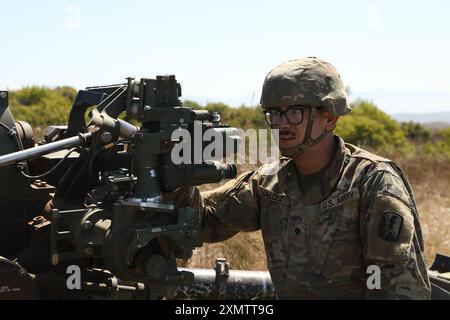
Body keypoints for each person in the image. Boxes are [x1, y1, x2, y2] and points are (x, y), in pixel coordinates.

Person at [173, 57, 431, 299]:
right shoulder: (269, 182)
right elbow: (203, 220)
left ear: (330, 116)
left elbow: (398, 287)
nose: (282, 124)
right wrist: (175, 176)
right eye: (274, 113)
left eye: (295, 112)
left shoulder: (372, 183)